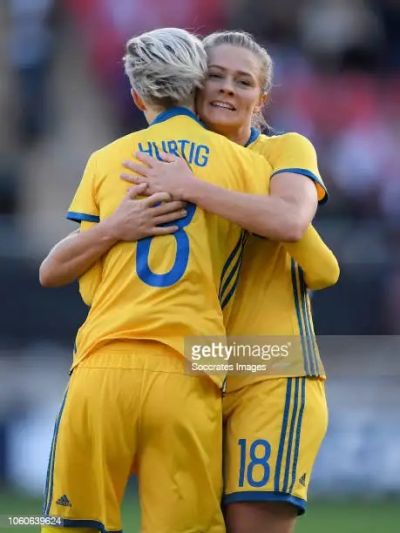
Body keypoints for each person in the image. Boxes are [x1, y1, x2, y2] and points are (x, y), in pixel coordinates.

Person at [39, 28, 275, 533]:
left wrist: (114, 229)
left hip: (103, 365)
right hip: (190, 368)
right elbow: (308, 256)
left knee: (72, 526)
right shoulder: (244, 166)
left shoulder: (107, 160)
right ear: (198, 85)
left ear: (135, 95)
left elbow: (52, 272)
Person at [120, 31, 339, 533]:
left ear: (261, 100)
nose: (226, 88)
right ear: (192, 84)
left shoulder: (283, 149)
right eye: (215, 76)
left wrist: (192, 187)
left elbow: (294, 227)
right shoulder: (165, 161)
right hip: (198, 366)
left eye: (243, 82)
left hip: (271, 365)